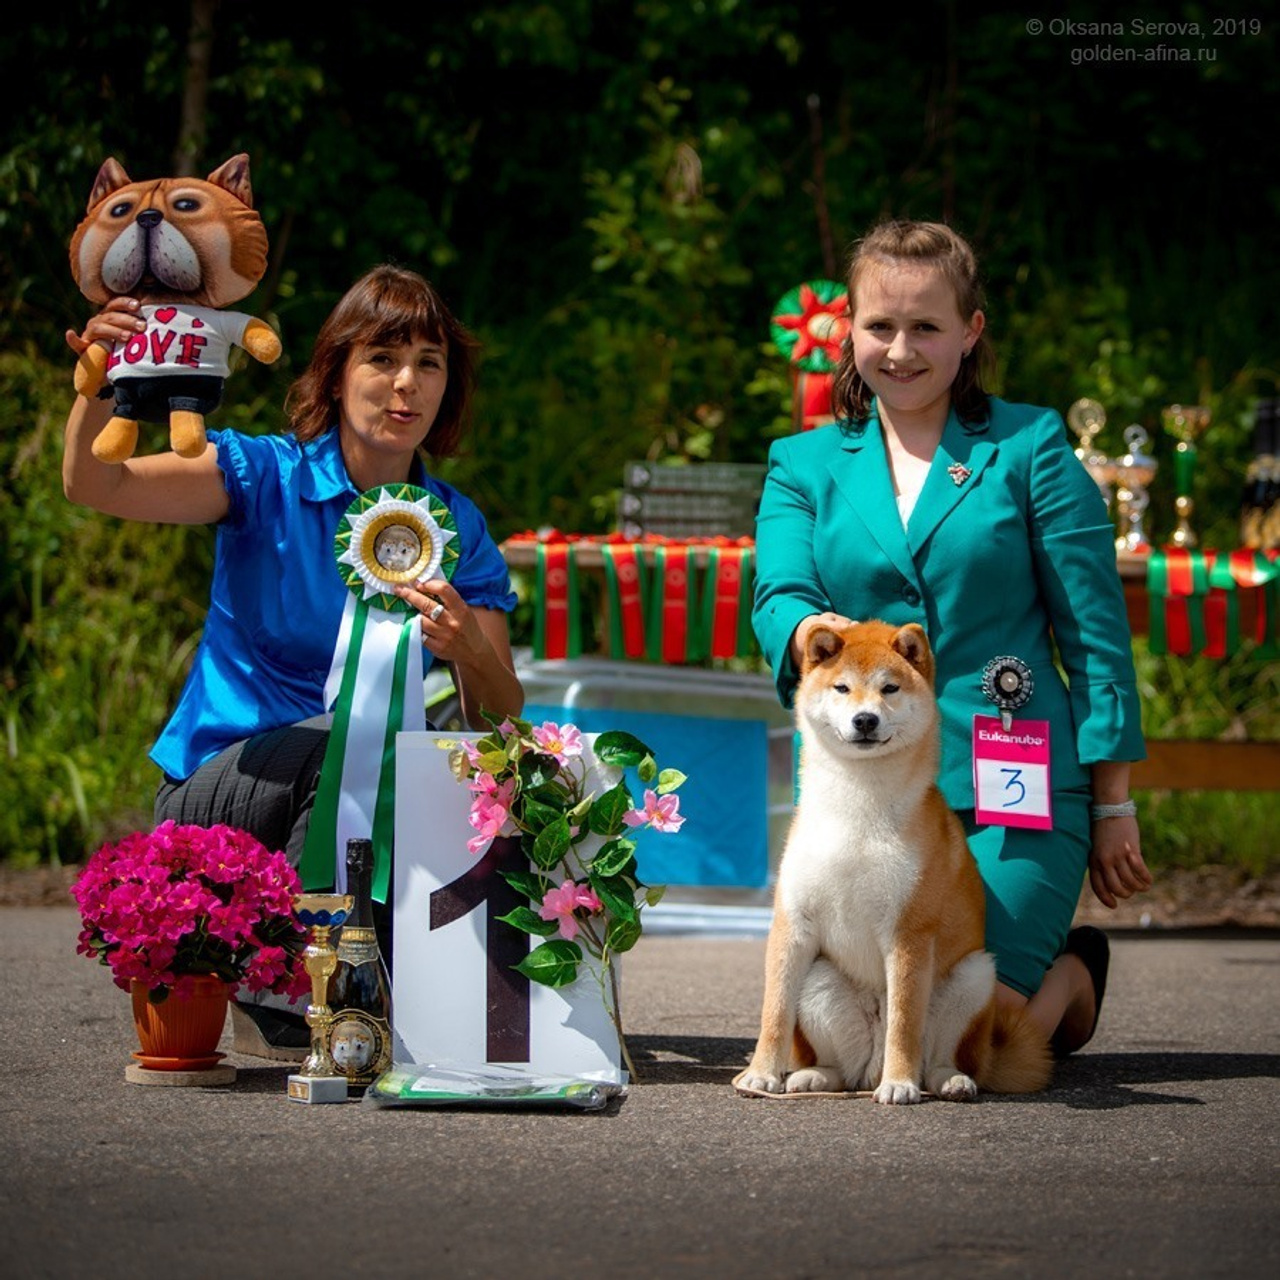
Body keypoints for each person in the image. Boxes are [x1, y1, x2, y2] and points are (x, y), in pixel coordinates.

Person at [64, 265, 525, 1051]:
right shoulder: (262, 474)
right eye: (382, 358)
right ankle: (286, 991)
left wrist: (467, 650)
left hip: (363, 800)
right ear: (336, 372)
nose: (406, 382)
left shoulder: (456, 523)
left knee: (464, 774)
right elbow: (93, 482)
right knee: (346, 746)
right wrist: (97, 384)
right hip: (225, 791)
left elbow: (498, 717)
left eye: (430, 362)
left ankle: (451, 996)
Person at [752, 221, 1151, 1057]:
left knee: (960, 1041)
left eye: (927, 326)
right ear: (848, 331)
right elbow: (780, 595)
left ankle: (1068, 979)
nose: (901, 349)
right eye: (880, 326)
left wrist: (1113, 804)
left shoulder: (1034, 446)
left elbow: (1096, 636)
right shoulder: (801, 462)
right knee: (857, 1042)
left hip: (1013, 782)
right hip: (868, 796)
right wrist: (807, 632)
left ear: (971, 333)